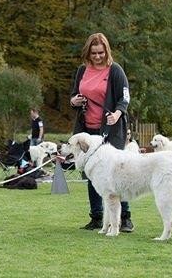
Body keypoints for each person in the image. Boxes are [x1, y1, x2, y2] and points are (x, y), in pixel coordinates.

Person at [69, 33, 134, 232]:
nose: (97, 56)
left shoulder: (115, 70)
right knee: (91, 171)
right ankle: (97, 216)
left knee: (117, 173)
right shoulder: (82, 70)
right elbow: (73, 95)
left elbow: (124, 96)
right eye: (93, 53)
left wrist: (117, 113)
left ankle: (125, 217)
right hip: (87, 129)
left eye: (100, 52)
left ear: (106, 51)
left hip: (110, 128)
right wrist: (74, 101)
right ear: (88, 52)